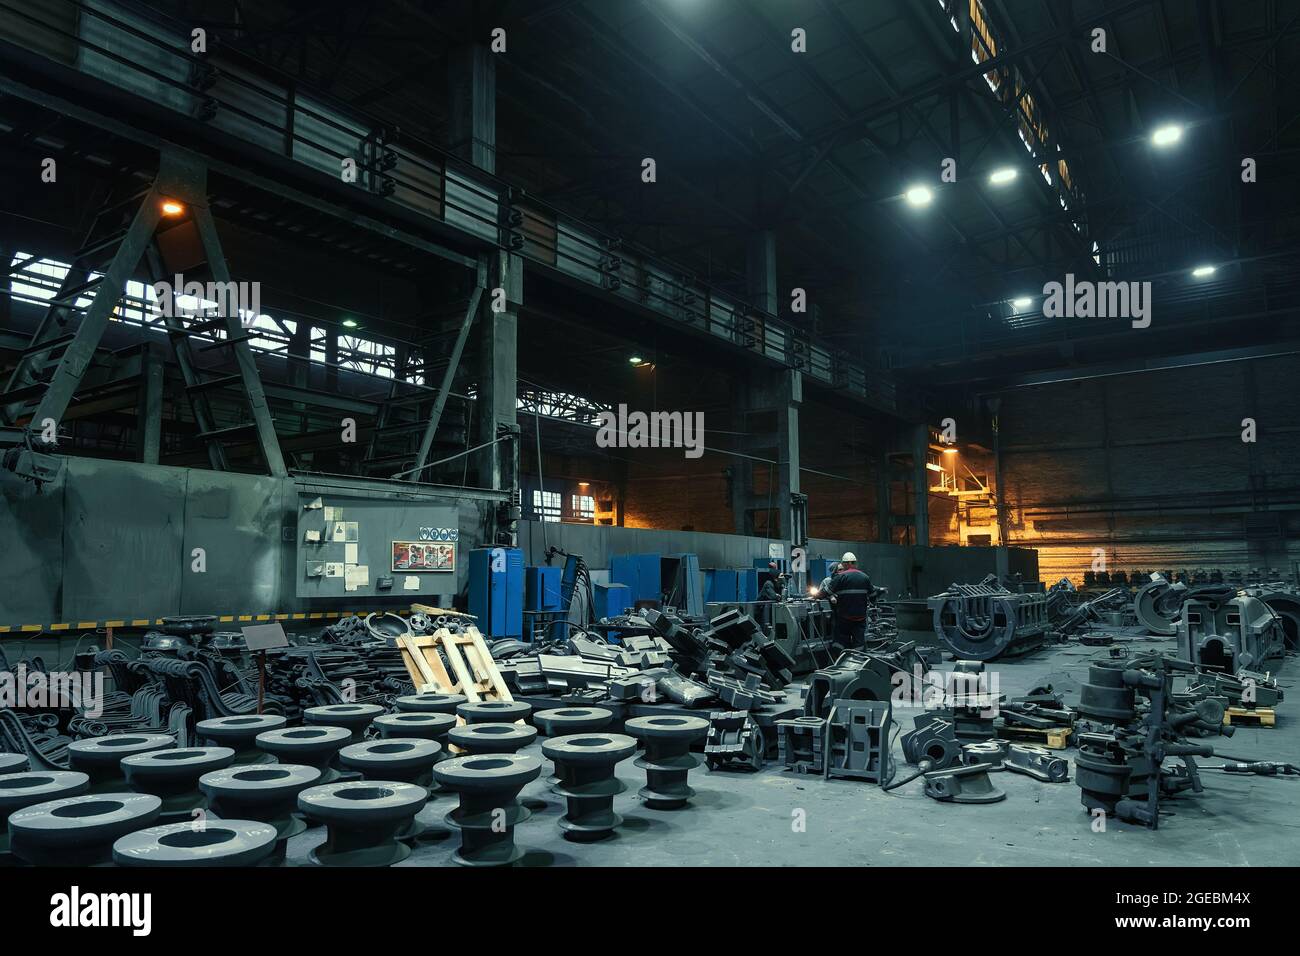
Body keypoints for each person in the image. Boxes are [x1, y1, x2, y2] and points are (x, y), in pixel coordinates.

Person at [824, 552, 874, 650]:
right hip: (860, 618)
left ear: (846, 564)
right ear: (855, 563)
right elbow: (873, 595)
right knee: (859, 643)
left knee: (840, 641)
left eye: (842, 565)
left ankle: (841, 660)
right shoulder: (865, 577)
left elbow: (826, 592)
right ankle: (858, 661)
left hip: (844, 618)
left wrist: (815, 596)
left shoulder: (841, 577)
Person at [758, 562, 785, 627]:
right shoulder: (768, 584)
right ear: (776, 579)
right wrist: (778, 596)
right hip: (761, 610)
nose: (783, 577)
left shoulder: (779, 585)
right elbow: (773, 596)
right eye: (781, 576)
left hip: (769, 609)